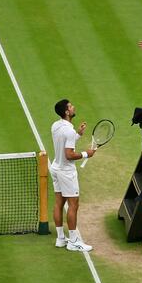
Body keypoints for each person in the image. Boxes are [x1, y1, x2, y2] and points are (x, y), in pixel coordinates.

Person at [50, 99, 96, 252]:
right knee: (73, 205)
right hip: (66, 172)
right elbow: (69, 154)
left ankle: (60, 238)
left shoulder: (56, 126)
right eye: (70, 106)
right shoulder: (68, 130)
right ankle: (74, 241)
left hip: (55, 167)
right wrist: (86, 154)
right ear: (66, 112)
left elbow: (65, 141)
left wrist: (78, 135)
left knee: (58, 203)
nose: (73, 107)